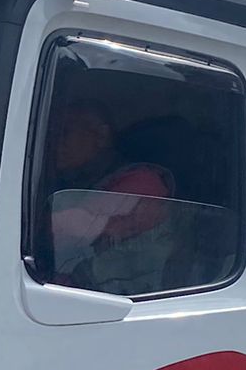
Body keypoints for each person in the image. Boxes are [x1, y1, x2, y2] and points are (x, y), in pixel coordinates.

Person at [44, 100, 175, 291]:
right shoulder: (76, 180)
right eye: (51, 135)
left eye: (65, 133)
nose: (55, 144)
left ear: (101, 136)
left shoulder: (143, 182)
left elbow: (67, 231)